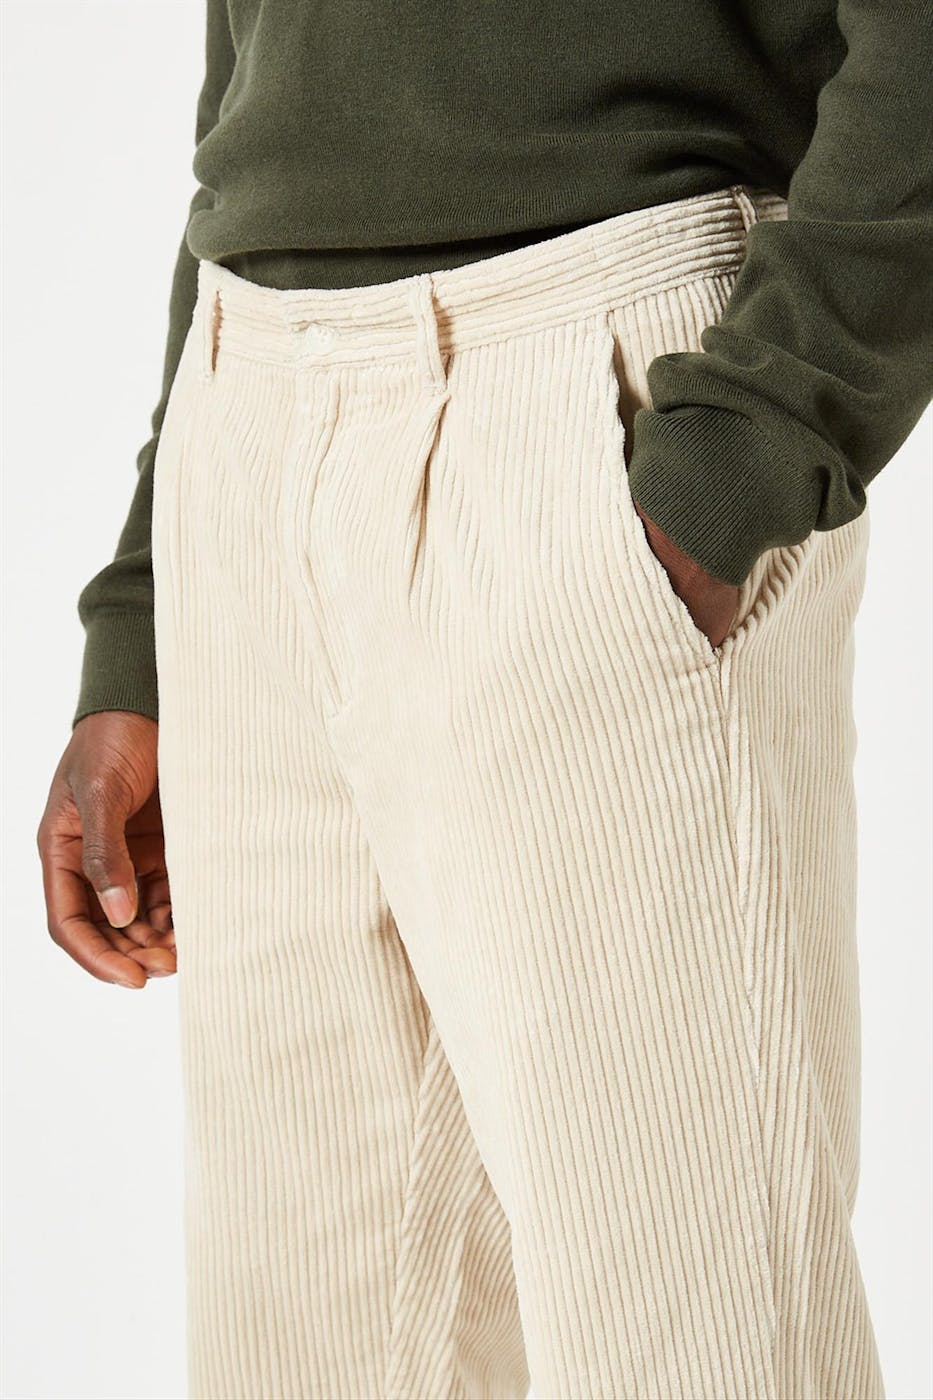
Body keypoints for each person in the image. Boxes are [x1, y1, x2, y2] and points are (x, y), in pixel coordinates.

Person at [36, 0, 931, 1395]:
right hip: (245, 415)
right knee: (305, 1354)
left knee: (690, 1329)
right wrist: (148, 616)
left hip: (591, 384)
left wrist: (753, 445)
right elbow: (250, 68)